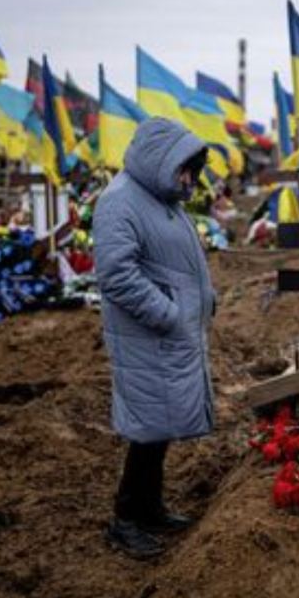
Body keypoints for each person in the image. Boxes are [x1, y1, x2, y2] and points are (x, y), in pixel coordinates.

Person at [92, 118, 216, 560]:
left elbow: (174, 264)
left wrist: (203, 300)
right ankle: (125, 519)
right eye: (184, 170)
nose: (189, 181)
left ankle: (150, 507)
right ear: (162, 161)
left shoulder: (161, 200)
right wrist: (168, 313)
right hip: (148, 336)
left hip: (167, 337)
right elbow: (116, 275)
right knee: (147, 429)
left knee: (158, 427)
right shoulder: (120, 202)